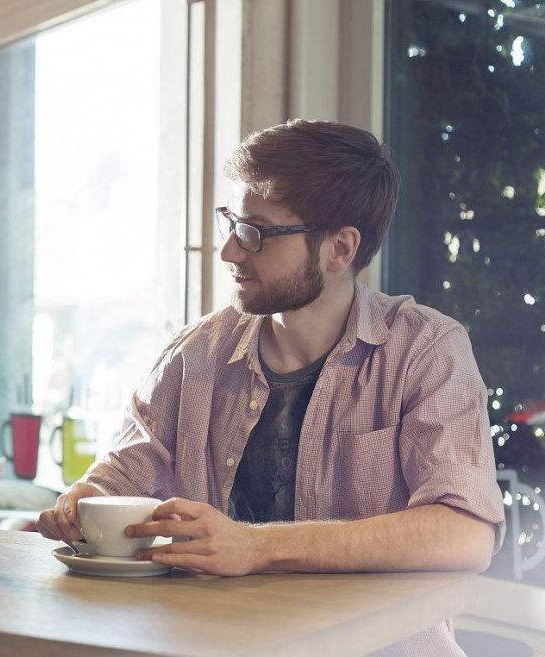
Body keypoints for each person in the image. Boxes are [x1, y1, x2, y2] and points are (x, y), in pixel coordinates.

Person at [37, 119, 503, 656]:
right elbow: (122, 474)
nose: (230, 252)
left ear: (340, 248)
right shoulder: (195, 355)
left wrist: (257, 546)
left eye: (255, 233)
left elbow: (465, 532)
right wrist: (84, 502)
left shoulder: (425, 350)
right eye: (231, 223)